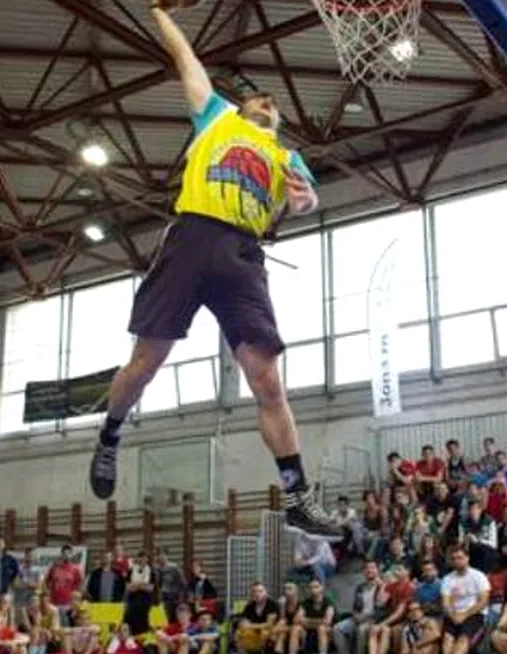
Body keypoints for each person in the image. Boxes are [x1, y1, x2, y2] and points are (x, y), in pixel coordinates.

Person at [87, 0, 336, 540]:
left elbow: (307, 199)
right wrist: (158, 11)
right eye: (259, 98)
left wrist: (303, 202)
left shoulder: (286, 158)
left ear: (277, 122)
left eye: (272, 104)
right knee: (146, 363)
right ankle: (110, 434)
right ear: (244, 107)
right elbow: (183, 55)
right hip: (191, 237)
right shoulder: (217, 115)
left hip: (243, 254)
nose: (265, 103)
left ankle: (296, 494)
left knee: (267, 378)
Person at [439, 545, 490, 654]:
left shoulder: (478, 576)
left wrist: (465, 614)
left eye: (460, 558)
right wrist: (452, 614)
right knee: (448, 638)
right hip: (454, 615)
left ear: (467, 558)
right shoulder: (448, 579)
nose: (457, 561)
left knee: (463, 637)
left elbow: (483, 601)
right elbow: (445, 602)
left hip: (474, 614)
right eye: (454, 559)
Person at [288, 579, 334, 654]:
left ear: (322, 588)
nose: (313, 590)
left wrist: (306, 621)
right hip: (309, 632)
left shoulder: (328, 601)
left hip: (329, 633)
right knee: (295, 628)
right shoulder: (306, 602)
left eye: (316, 587)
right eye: (311, 587)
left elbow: (327, 621)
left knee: (322, 628)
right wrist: (318, 621)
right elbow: (296, 620)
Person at [233, 582, 278, 654]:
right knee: (238, 633)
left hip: (270, 631)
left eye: (260, 591)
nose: (257, 594)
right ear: (251, 594)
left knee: (264, 633)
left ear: (265, 592)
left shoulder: (272, 604)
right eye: (254, 591)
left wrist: (250, 626)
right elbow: (244, 619)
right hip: (254, 631)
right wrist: (242, 623)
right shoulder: (250, 606)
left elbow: (269, 624)